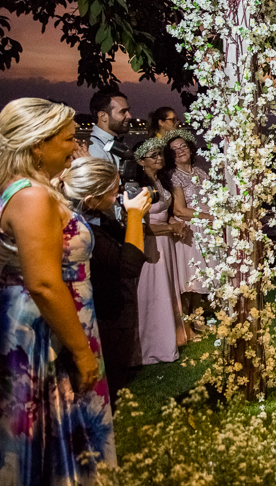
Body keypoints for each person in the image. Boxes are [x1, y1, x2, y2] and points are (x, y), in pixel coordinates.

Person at [0, 98, 116, 483]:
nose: (74, 145)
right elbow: (44, 283)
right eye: (66, 139)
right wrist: (81, 353)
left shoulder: (24, 188)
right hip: (45, 331)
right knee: (52, 431)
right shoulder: (32, 197)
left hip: (45, 320)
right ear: (37, 145)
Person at [58, 157, 152, 411]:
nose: (119, 195)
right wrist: (134, 214)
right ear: (91, 200)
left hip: (107, 311)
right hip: (103, 316)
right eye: (113, 192)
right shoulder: (82, 231)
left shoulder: (99, 219)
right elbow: (129, 265)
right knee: (105, 392)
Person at [134, 137, 187, 361]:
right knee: (154, 291)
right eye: (153, 155)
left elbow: (169, 210)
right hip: (152, 243)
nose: (159, 158)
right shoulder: (138, 187)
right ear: (140, 161)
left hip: (168, 242)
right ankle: (152, 347)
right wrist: (169, 227)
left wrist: (175, 223)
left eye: (159, 154)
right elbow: (140, 224)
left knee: (168, 287)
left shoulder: (161, 180)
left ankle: (172, 338)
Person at [163, 129, 211, 340]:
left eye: (183, 146)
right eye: (174, 149)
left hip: (205, 230)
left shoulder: (201, 172)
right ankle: (185, 325)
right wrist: (209, 218)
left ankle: (198, 318)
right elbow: (179, 210)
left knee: (202, 275)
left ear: (191, 148)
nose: (180, 151)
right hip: (189, 230)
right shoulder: (174, 176)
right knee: (188, 279)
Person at [87, 89, 132, 167]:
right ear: (103, 116)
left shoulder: (105, 143)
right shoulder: (94, 148)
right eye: (123, 112)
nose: (129, 116)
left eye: (128, 111)